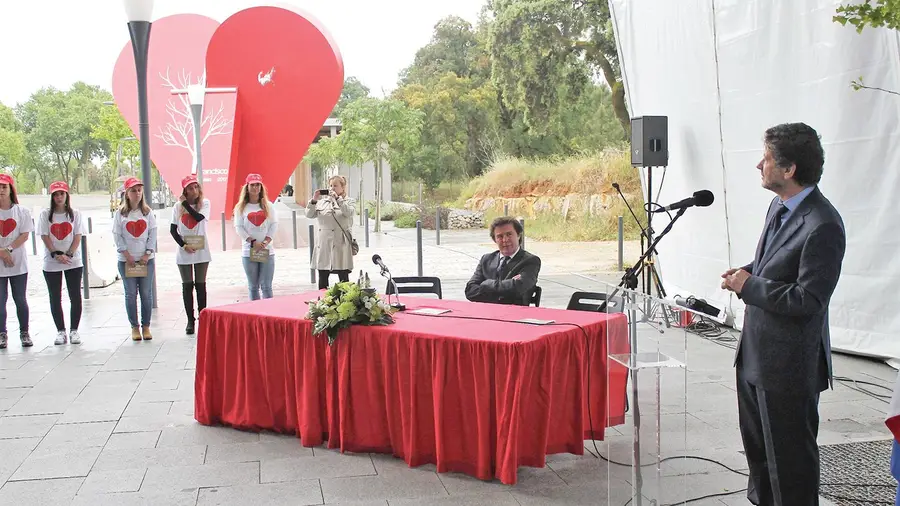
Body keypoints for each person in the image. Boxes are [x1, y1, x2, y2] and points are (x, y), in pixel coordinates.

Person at [721, 122, 846, 506]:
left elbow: (808, 298)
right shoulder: (779, 205)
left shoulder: (823, 224)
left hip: (788, 367)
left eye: (768, 159)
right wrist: (746, 273)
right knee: (760, 462)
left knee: (790, 468)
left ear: (789, 169)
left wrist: (749, 286)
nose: (760, 165)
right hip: (755, 356)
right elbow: (772, 264)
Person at [37, 181, 85, 345]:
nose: (59, 197)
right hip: (52, 262)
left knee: (75, 296)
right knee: (55, 297)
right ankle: (60, 331)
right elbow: (44, 235)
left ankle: (74, 330)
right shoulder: (45, 214)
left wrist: (69, 253)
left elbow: (78, 235)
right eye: (55, 195)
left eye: (61, 194)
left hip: (73, 261)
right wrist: (56, 254)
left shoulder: (75, 214)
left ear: (67, 195)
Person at [113, 177, 157, 341]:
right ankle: (134, 327)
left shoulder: (148, 212)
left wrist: (147, 253)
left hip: (146, 260)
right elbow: (117, 235)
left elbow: (152, 233)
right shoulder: (121, 214)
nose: (137, 193)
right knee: (131, 293)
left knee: (146, 293)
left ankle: (146, 326)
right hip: (127, 261)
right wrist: (126, 255)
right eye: (133, 190)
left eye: (139, 190)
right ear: (127, 194)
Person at [465, 216, 541, 305]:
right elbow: (470, 291)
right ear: (495, 240)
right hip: (487, 314)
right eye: (500, 236)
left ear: (519, 235)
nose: (505, 240)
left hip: (515, 315)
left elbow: (518, 288)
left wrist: (487, 284)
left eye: (509, 234)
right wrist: (506, 286)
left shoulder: (530, 261)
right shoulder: (486, 260)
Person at [170, 175, 211, 335]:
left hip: (201, 249)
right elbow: (173, 230)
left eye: (195, 187)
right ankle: (190, 320)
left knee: (201, 285)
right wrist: (183, 245)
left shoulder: (205, 204)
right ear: (184, 191)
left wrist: (185, 203)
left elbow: (198, 217)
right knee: (187, 286)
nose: (193, 191)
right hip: (185, 249)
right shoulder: (177, 207)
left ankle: (203, 317)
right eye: (189, 188)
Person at [0, 174, 32, 349]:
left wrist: (8, 250)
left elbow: (25, 234)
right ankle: (2, 333)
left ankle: (24, 332)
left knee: (20, 299)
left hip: (18, 264)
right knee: (0, 301)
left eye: (4, 187)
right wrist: (1, 252)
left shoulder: (22, 211)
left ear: (11, 189)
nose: (1, 191)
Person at [306, 175, 356, 289]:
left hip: (341, 243)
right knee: (323, 276)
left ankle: (345, 304)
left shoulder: (349, 201)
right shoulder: (323, 202)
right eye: (331, 186)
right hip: (324, 244)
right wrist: (314, 200)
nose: (332, 188)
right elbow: (309, 214)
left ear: (343, 187)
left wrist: (338, 200)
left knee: (343, 277)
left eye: (335, 185)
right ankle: (323, 303)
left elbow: (348, 213)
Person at [234, 173, 277, 300]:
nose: (255, 188)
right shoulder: (241, 207)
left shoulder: (268, 205)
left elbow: (274, 224)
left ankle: (270, 315)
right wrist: (252, 242)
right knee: (253, 286)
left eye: (258, 185)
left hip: (266, 250)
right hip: (249, 251)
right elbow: (239, 227)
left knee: (266, 286)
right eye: (252, 185)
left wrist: (265, 242)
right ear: (247, 187)